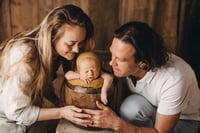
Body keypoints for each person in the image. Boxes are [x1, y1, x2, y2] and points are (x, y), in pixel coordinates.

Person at [83, 21, 200, 133]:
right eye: (112, 54)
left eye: (119, 59)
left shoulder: (174, 80)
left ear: (143, 63)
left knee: (127, 116)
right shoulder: (131, 62)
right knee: (130, 108)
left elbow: (160, 132)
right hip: (152, 106)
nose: (111, 63)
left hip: (183, 121)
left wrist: (117, 124)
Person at [0, 4, 95, 133]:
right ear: (53, 35)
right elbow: (16, 112)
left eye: (80, 43)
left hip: (24, 119)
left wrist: (57, 102)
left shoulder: (54, 53)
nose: (77, 49)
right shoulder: (24, 54)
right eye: (71, 43)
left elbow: (41, 85)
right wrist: (61, 112)